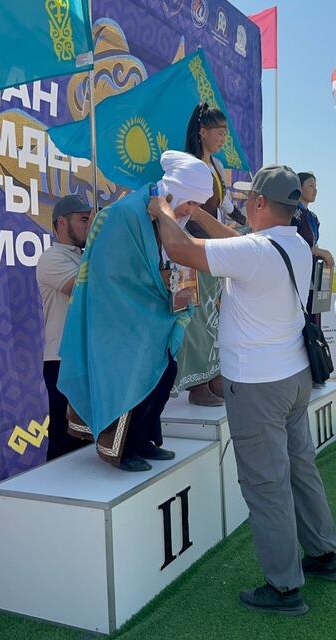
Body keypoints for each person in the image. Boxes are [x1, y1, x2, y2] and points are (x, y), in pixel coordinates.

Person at [148, 165, 336, 615]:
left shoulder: (254, 251)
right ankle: (324, 555)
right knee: (301, 468)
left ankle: (283, 587)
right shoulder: (295, 244)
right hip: (294, 378)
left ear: (258, 203)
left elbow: (181, 249)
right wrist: (199, 213)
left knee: (265, 484)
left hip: (258, 386)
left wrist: (164, 210)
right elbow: (236, 243)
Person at [57, 151, 214, 471]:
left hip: (156, 316)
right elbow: (110, 271)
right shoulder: (122, 214)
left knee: (163, 374)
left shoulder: (171, 219)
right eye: (190, 202)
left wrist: (173, 283)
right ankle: (119, 448)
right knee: (129, 376)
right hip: (119, 316)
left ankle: (143, 440)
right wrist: (158, 279)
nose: (191, 210)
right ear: (175, 192)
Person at [176, 103, 245, 407]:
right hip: (190, 247)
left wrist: (247, 222)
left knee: (213, 316)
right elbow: (182, 207)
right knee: (195, 317)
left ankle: (214, 375)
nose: (223, 138)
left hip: (214, 248)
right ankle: (197, 383)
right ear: (202, 132)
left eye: (226, 133)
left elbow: (227, 205)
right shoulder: (188, 165)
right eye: (219, 132)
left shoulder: (215, 165)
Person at [36, 195, 92, 461]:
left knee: (87, 441)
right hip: (61, 360)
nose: (89, 226)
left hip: (86, 358)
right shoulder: (51, 258)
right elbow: (84, 292)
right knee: (65, 439)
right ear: (61, 222)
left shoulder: (82, 256)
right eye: (83, 220)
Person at [292, 172, 334, 325]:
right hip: (298, 276)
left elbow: (314, 245)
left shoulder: (313, 218)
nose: (315, 190)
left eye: (316, 186)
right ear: (299, 187)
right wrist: (318, 251)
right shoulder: (293, 213)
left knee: (314, 321)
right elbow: (292, 246)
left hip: (313, 275)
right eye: (310, 185)